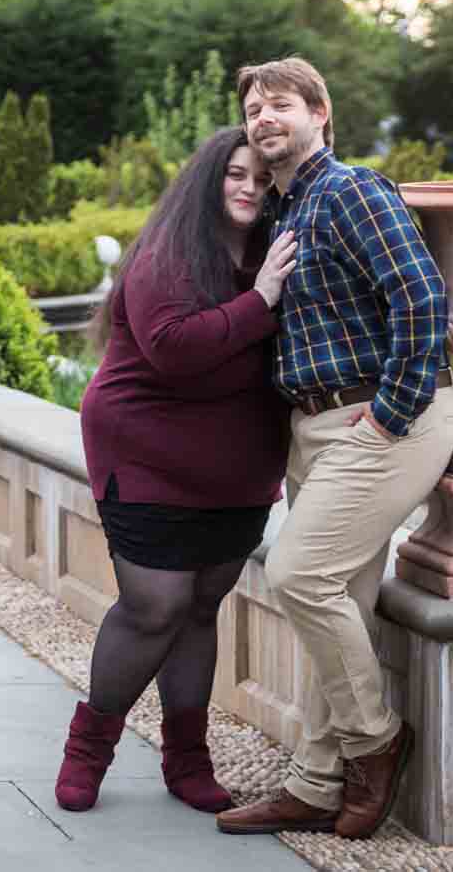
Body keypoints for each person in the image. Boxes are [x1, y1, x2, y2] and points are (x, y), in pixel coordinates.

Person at [216, 57, 453, 842]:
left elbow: (421, 295)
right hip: (315, 426)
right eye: (253, 108)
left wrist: (388, 415)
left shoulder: (351, 188)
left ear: (321, 112)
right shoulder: (286, 213)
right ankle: (317, 782)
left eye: (280, 103)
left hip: (383, 416)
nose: (263, 118)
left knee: (295, 571)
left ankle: (376, 741)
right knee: (339, 595)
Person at [55, 127, 300, 815]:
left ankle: (187, 755)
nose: (250, 187)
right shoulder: (167, 253)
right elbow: (173, 347)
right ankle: (88, 747)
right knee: (154, 604)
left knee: (200, 605)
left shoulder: (270, 247)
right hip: (146, 453)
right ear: (207, 179)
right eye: (235, 174)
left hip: (235, 467)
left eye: (261, 177)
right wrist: (263, 300)